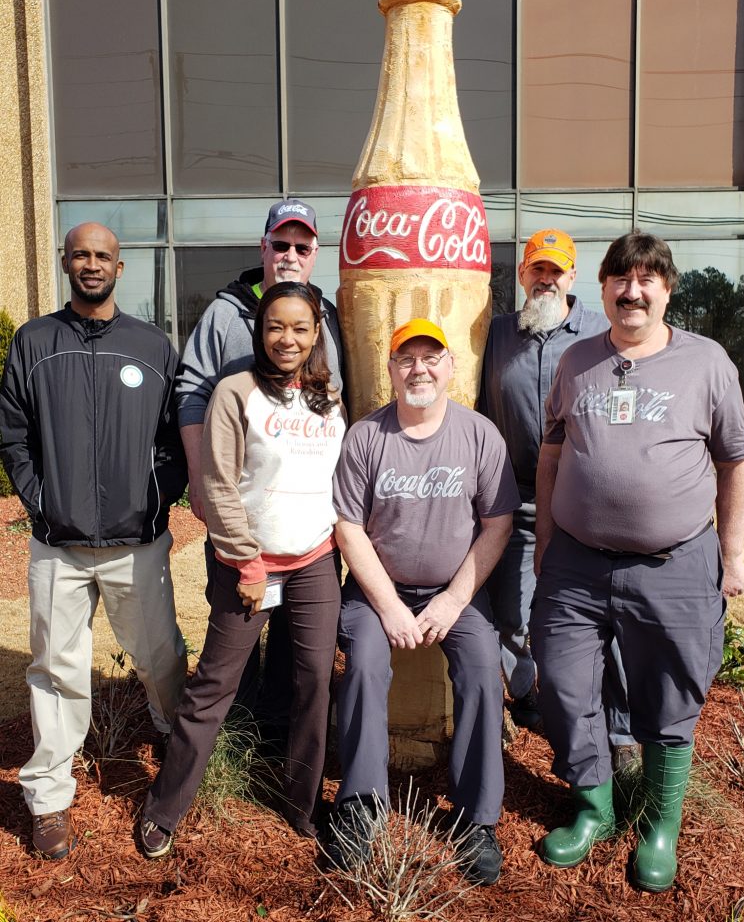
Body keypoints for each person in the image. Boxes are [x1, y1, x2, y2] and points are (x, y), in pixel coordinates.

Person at [531, 231, 744, 891]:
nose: (631, 292)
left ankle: (658, 826)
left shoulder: (706, 361)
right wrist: (544, 539)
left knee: (671, 694)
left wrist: (732, 554)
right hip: (574, 562)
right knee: (567, 688)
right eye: (619, 280)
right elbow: (550, 455)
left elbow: (735, 459)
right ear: (601, 289)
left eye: (646, 280)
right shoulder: (574, 361)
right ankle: (593, 807)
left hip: (676, 562)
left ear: (666, 289)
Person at [0, 222, 188, 859]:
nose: (91, 264)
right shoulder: (34, 341)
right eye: (80, 254)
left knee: (160, 655)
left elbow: (175, 439)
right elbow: (13, 434)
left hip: (139, 544)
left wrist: (153, 504)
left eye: (102, 255)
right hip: (59, 547)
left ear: (120, 267)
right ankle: (49, 797)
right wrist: (44, 503)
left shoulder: (151, 345)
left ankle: (172, 731)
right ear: (63, 261)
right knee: (55, 670)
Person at [139, 281, 346, 858]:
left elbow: (334, 482)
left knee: (313, 682)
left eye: (301, 327)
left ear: (315, 335)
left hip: (314, 564)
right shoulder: (235, 392)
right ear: (260, 330)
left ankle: (301, 803)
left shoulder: (328, 400)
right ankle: (166, 807)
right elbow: (217, 483)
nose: (288, 338)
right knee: (215, 683)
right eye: (277, 326)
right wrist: (247, 561)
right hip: (248, 564)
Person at [327, 318, 520, 886]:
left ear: (451, 367)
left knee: (484, 667)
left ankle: (474, 817)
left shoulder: (480, 435)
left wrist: (455, 601)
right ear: (389, 371)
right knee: (362, 662)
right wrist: (388, 608)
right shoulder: (366, 437)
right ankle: (361, 804)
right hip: (376, 590)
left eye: (431, 357)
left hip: (455, 591)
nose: (419, 368)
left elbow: (499, 523)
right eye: (406, 359)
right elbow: (348, 528)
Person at [176, 198, 344, 736]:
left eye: (302, 246)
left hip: (309, 531)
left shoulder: (328, 318)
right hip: (242, 512)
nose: (290, 254)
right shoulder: (226, 313)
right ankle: (235, 737)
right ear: (263, 248)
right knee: (237, 639)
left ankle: (275, 742)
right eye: (281, 244)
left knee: (300, 650)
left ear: (315, 253)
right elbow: (191, 394)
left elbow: (338, 404)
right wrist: (203, 482)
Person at [479, 228, 637, 769]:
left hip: (582, 501)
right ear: (522, 275)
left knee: (604, 621)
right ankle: (528, 693)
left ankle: (621, 736)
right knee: (511, 614)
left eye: (557, 270)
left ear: (573, 276)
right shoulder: (496, 334)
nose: (546, 279)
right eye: (537, 269)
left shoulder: (602, 331)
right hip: (516, 499)